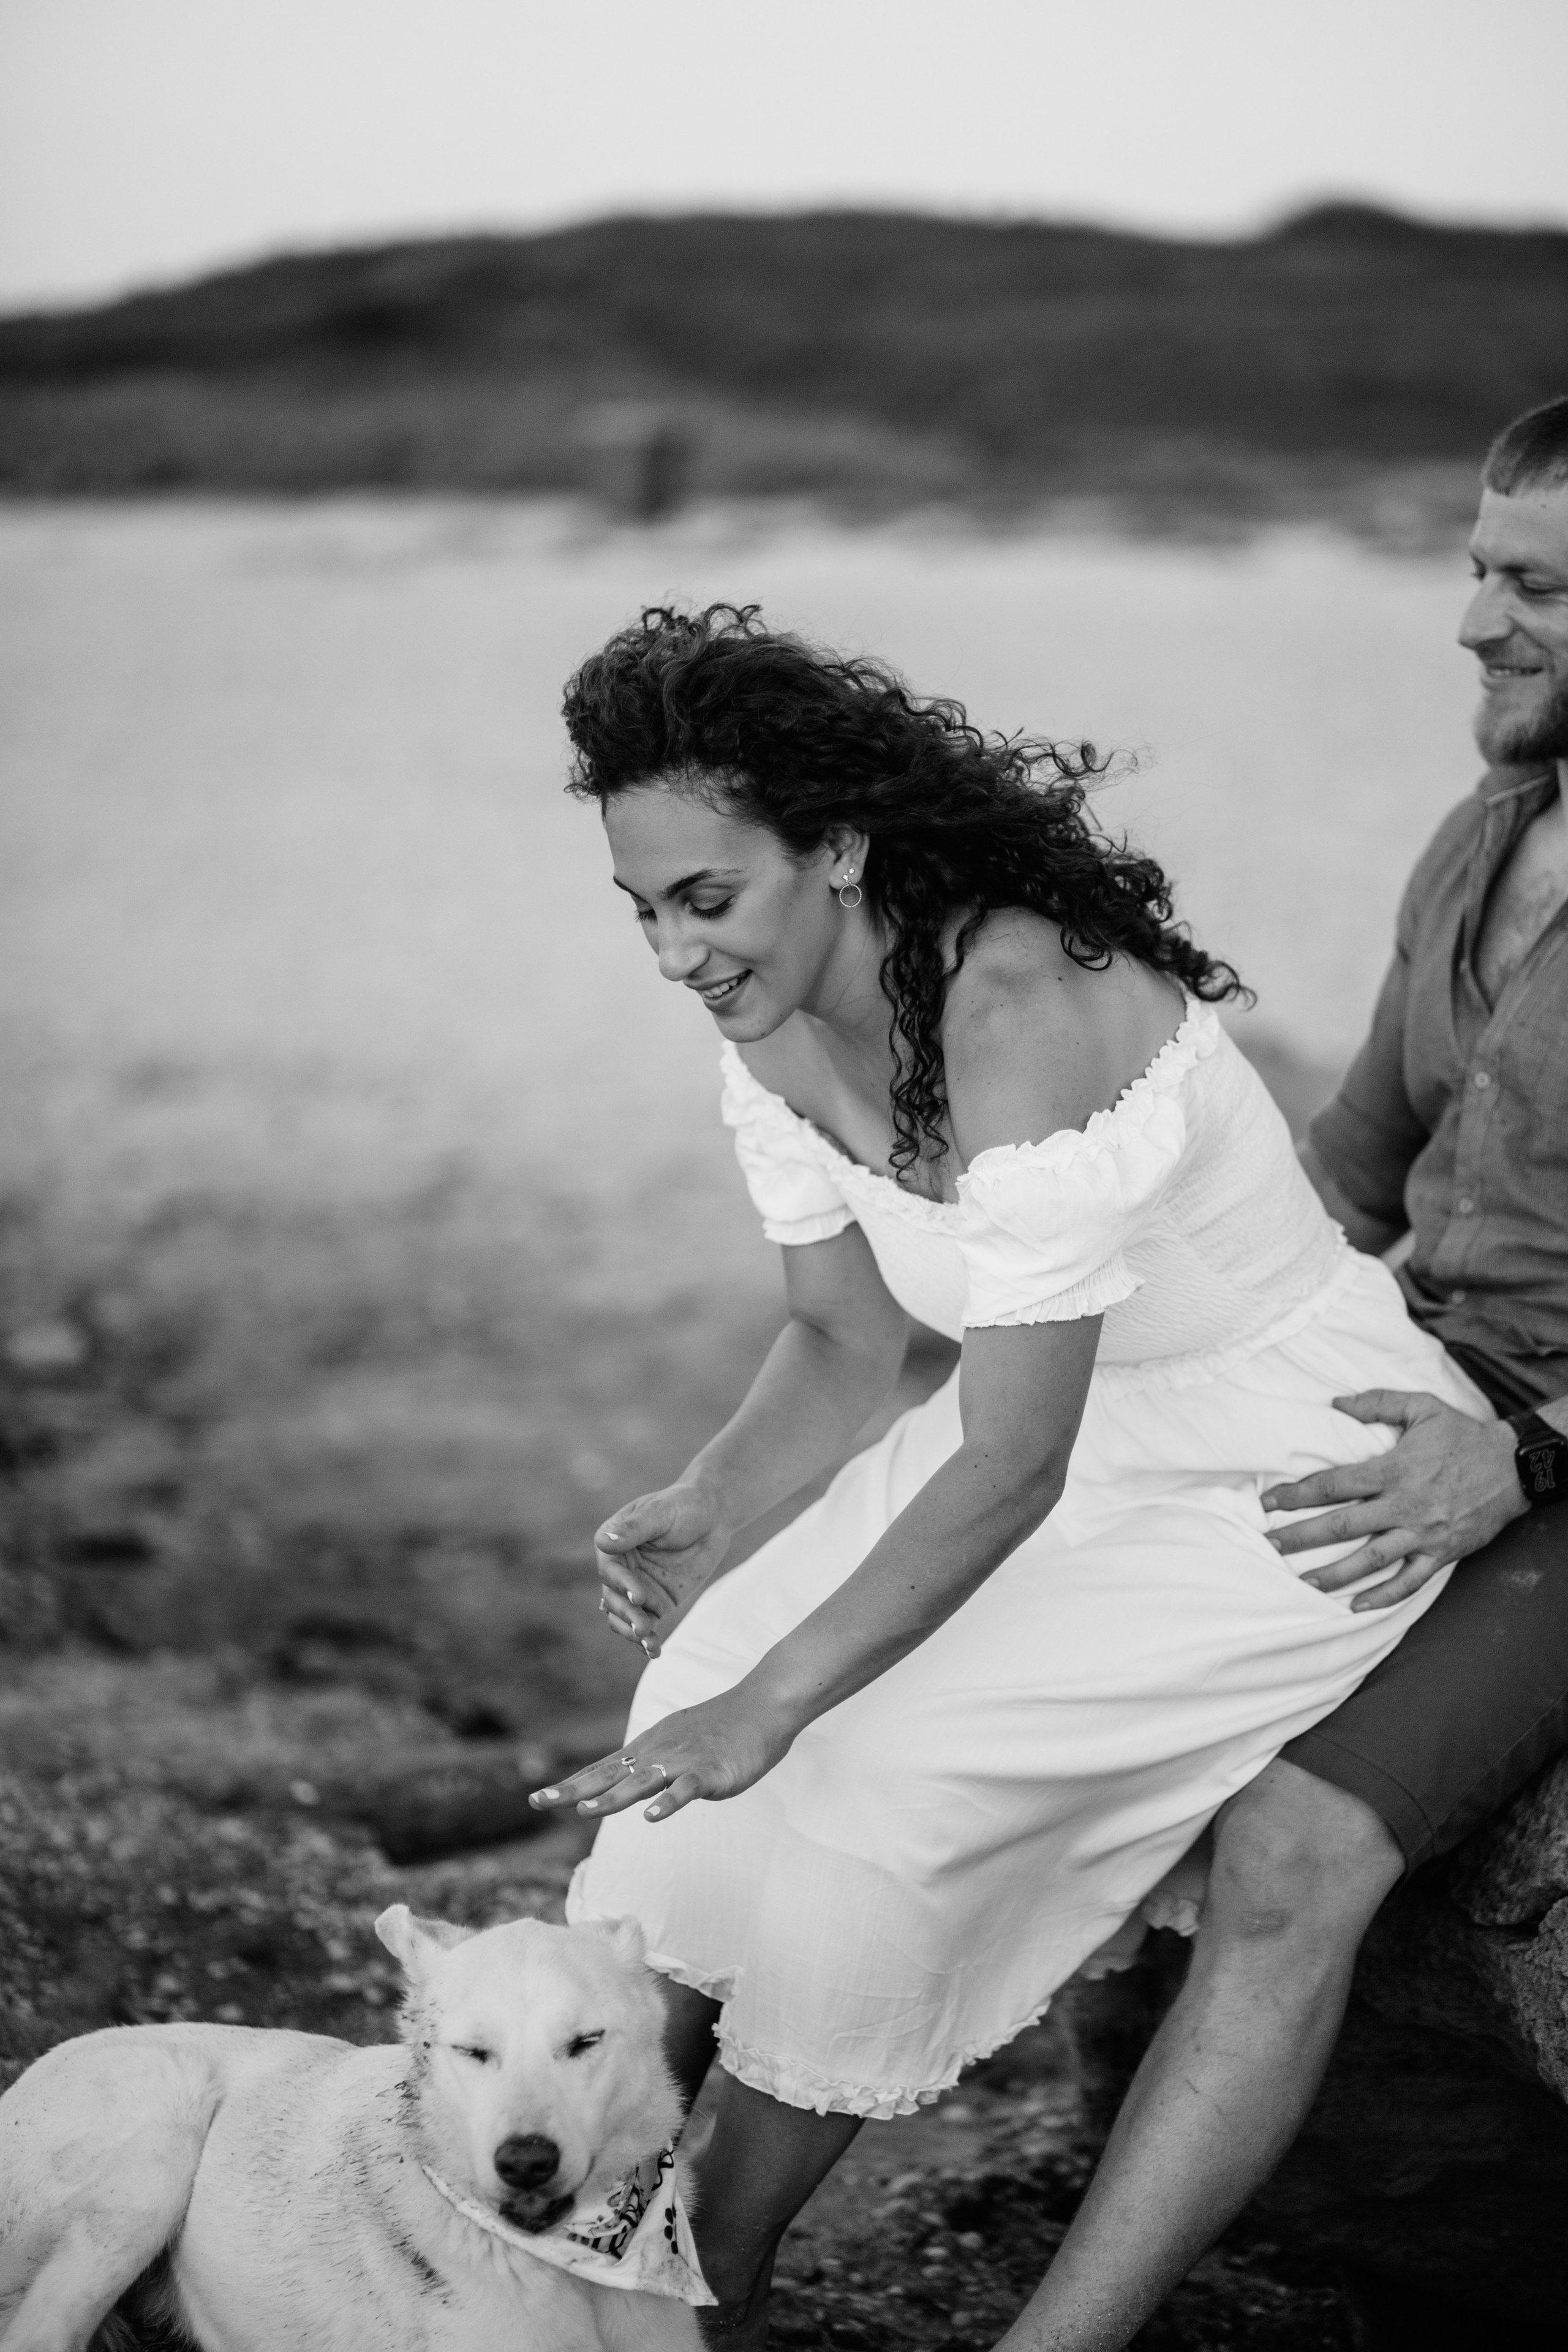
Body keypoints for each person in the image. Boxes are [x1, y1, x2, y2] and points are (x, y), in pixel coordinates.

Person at [529, 597, 1490, 2350]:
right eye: (643, 907)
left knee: (873, 1802)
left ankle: (695, 2299)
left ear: (836, 842)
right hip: (1044, 1433)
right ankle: (574, 2260)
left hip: (1270, 1468)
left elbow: (1015, 1460)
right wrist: (717, 1504)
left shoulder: (1021, 1002)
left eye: (705, 897)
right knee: (697, 1702)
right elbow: (840, 1339)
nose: (674, 952)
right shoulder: (764, 1002)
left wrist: (783, 1700)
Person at [978, 391, 1568, 2352]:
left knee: (1297, 1844)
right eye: (1479, 569)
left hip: (1541, 1473)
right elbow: (1349, 1170)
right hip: (1397, 1368)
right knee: (962, 1596)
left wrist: (1534, 1456)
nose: (1475, 626)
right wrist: (1124, 1341)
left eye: (1537, 587)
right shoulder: (1484, 837)